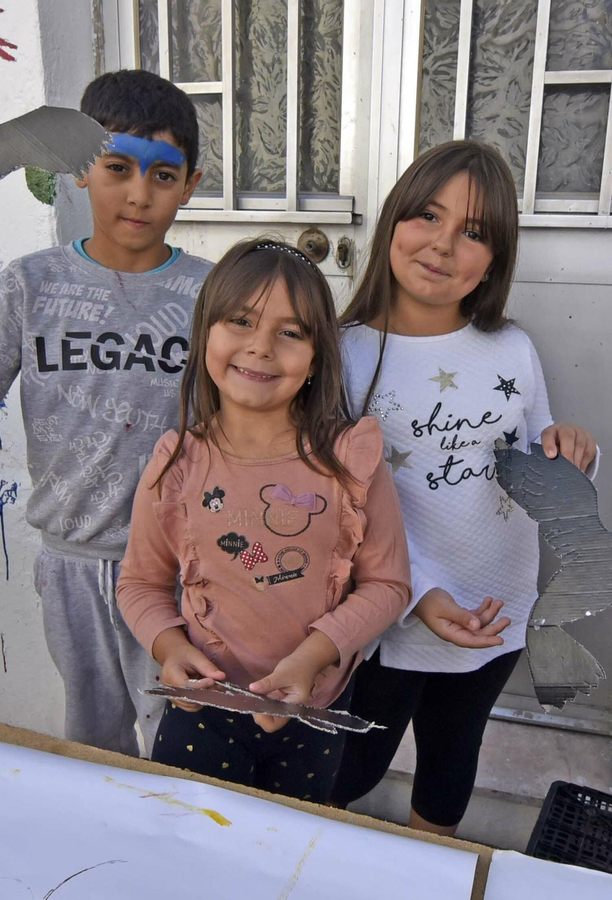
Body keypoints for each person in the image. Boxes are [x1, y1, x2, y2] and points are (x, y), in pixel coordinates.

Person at [0, 70, 210, 757]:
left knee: (183, 746)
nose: (138, 193)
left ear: (191, 182)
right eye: (117, 167)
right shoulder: (29, 286)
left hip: (182, 576)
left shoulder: (214, 294)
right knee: (95, 749)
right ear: (77, 171)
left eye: (163, 175)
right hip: (69, 569)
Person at [329, 141, 599, 835]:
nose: (443, 244)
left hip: (495, 607)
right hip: (389, 612)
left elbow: (540, 470)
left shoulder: (512, 347)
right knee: (348, 771)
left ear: (495, 258)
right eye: (426, 215)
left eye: (473, 232)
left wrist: (571, 454)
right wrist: (414, 595)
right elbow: (332, 514)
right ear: (392, 222)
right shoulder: (342, 353)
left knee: (452, 762)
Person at [117, 239, 412, 800]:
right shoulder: (177, 464)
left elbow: (389, 585)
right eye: (241, 321)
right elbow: (139, 583)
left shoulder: (350, 459)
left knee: (287, 863)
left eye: (291, 332)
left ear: (318, 356)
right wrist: (168, 648)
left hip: (316, 712)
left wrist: (310, 659)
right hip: (202, 710)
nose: (260, 347)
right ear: (206, 332)